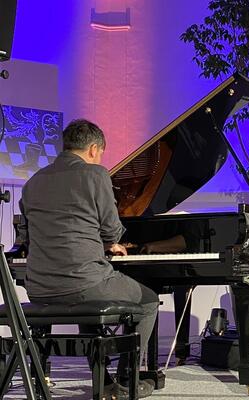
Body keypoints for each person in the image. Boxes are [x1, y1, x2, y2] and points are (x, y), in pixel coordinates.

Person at [19, 119, 158, 399]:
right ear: (94, 149)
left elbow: (27, 235)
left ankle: (105, 383)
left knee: (92, 303)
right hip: (83, 282)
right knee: (148, 301)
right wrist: (111, 243)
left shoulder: (32, 182)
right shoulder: (95, 174)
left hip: (39, 286)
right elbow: (111, 228)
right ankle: (127, 379)